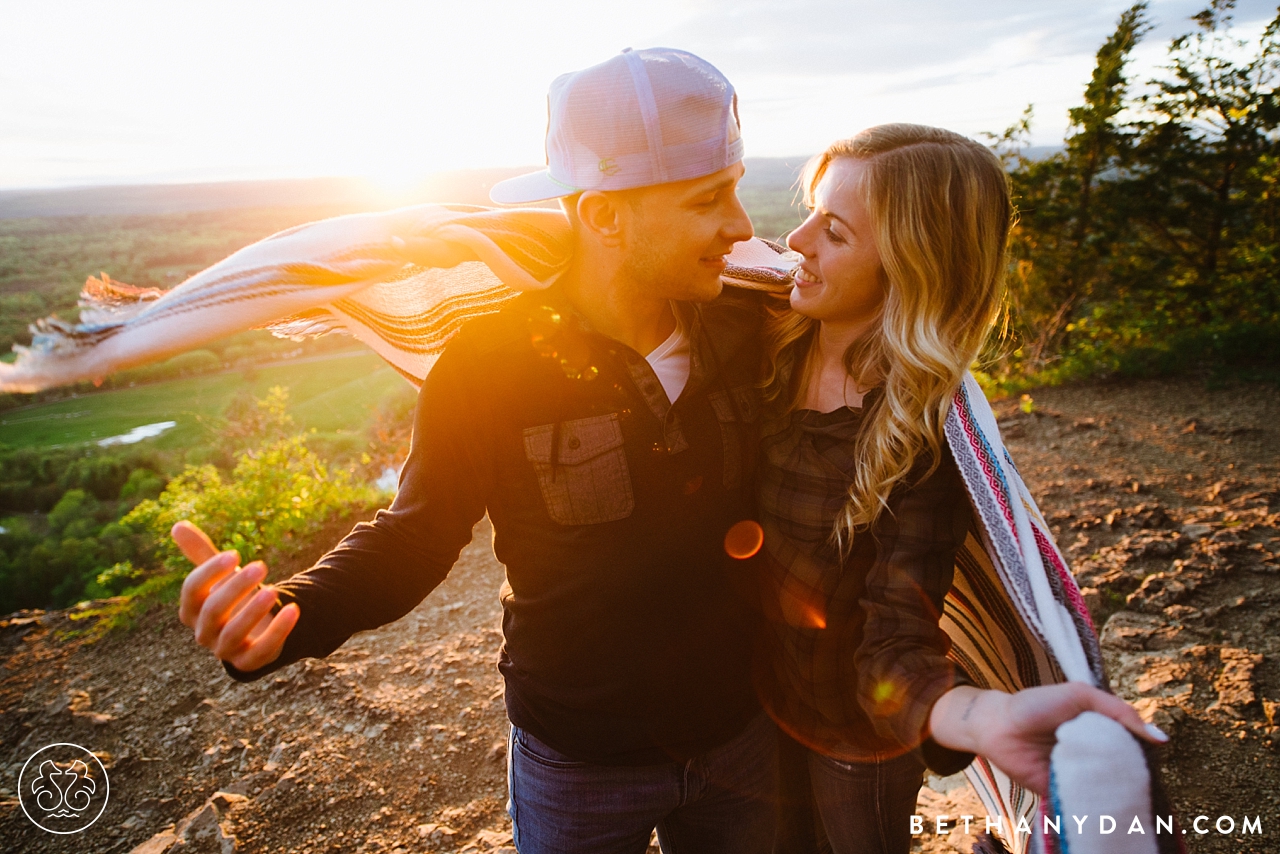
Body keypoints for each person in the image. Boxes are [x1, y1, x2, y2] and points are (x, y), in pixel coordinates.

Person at [171, 47, 779, 854]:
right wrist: (292, 612)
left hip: (744, 737)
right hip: (578, 762)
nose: (741, 225)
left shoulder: (756, 324)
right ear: (602, 215)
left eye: (735, 191)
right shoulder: (487, 365)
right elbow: (417, 534)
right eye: (710, 199)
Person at [754, 124, 1166, 854]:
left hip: (855, 731)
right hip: (742, 712)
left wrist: (973, 717)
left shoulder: (919, 433)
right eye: (811, 210)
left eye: (835, 231)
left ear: (909, 269)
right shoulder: (757, 338)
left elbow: (897, 633)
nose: (795, 239)